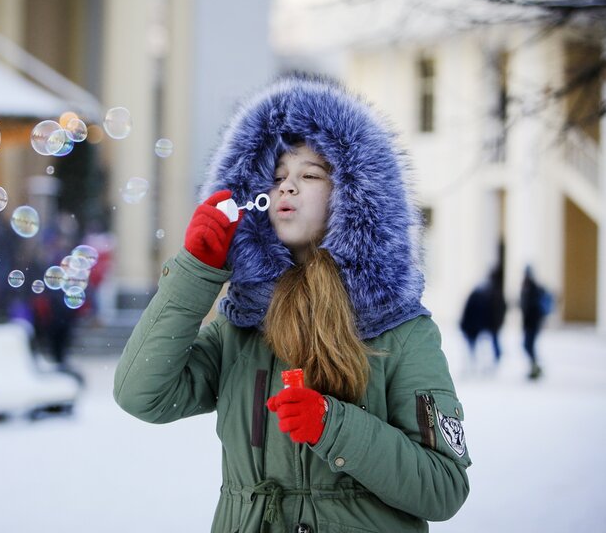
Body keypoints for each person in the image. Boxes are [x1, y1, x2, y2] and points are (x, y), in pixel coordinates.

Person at [114, 74, 470, 532]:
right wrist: (196, 271)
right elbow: (141, 395)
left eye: (310, 174)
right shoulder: (239, 327)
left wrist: (332, 425)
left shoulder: (401, 329)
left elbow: (443, 488)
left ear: (355, 194)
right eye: (278, 176)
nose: (287, 187)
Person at [459, 266, 506, 369]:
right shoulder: (486, 295)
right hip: (475, 327)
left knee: (478, 348)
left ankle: (475, 365)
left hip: (478, 327)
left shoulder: (485, 295)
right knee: (477, 348)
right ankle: (475, 365)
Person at [520, 266, 550, 380]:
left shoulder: (532, 288)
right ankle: (534, 368)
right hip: (530, 323)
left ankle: (535, 368)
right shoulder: (527, 287)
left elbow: (531, 307)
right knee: (528, 346)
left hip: (532, 323)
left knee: (528, 346)